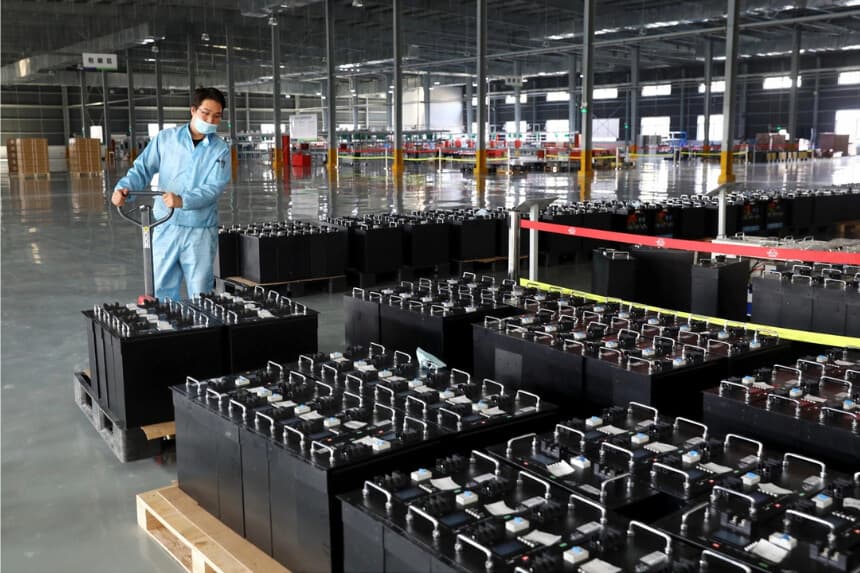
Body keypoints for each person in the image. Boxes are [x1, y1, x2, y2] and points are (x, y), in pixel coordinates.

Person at [112, 87, 231, 300]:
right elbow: (142, 169)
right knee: (161, 289)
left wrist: (183, 200)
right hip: (165, 225)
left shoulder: (220, 149)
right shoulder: (166, 139)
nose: (210, 120)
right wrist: (124, 189)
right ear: (193, 110)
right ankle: (165, 321)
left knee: (201, 293)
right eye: (205, 113)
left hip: (200, 230)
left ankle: (200, 322)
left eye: (217, 116)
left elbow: (214, 187)